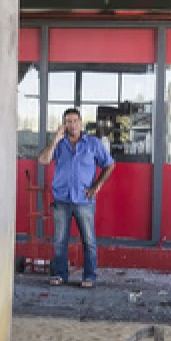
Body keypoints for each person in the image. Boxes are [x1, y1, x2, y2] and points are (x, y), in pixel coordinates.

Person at [38, 108, 115, 288]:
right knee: (60, 241)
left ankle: (89, 276)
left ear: (81, 123)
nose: (72, 125)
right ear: (64, 125)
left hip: (84, 201)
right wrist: (56, 139)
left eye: (75, 121)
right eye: (68, 121)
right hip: (62, 200)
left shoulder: (93, 143)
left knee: (88, 241)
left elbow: (110, 165)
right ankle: (60, 275)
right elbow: (43, 159)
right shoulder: (60, 144)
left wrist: (97, 186)